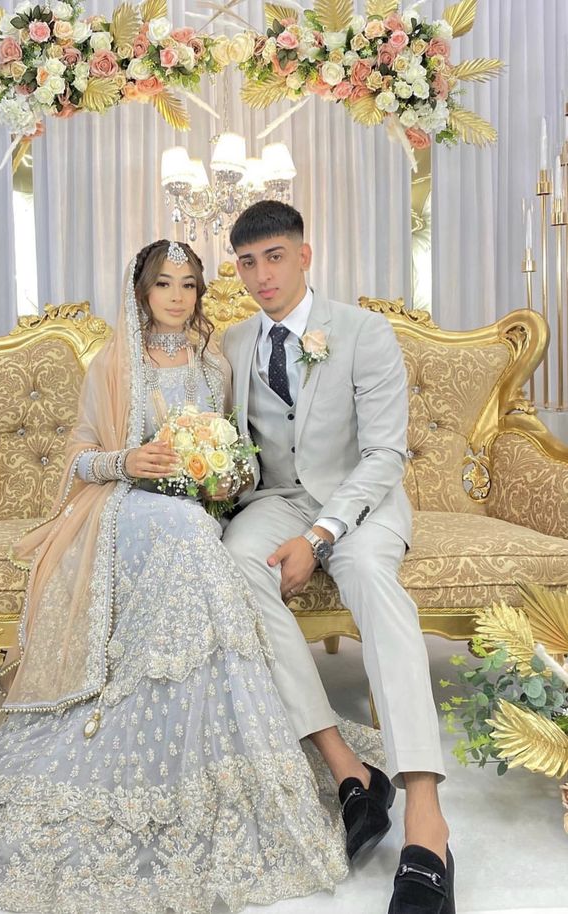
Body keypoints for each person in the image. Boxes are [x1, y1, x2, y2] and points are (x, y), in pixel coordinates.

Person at [0, 239, 384, 914]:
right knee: (190, 537)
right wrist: (130, 461)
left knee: (201, 537)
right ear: (141, 292)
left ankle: (237, 753)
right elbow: (76, 460)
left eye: (188, 284)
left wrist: (223, 472)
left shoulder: (213, 364)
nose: (178, 296)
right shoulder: (115, 361)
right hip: (123, 507)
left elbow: (240, 453)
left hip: (195, 510)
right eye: (164, 284)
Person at [222, 201, 455, 914]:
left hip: (360, 502)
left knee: (372, 583)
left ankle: (425, 818)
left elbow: (384, 453)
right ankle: (347, 769)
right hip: (278, 499)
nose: (261, 275)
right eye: (246, 263)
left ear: (305, 254)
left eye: (274, 257)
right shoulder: (229, 345)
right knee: (235, 567)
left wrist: (320, 536)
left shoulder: (363, 331)